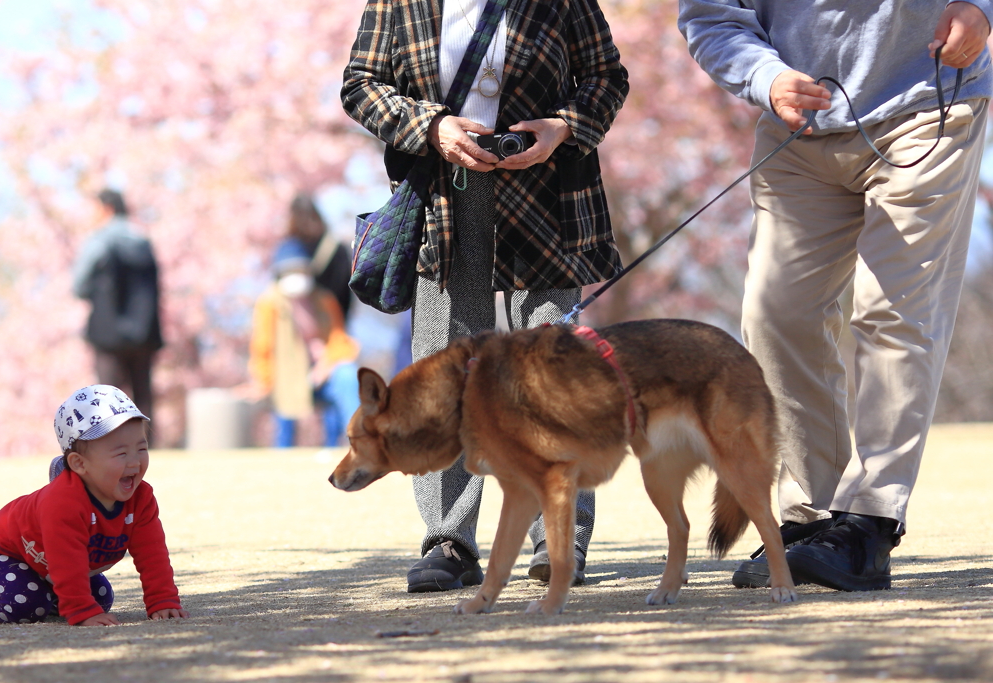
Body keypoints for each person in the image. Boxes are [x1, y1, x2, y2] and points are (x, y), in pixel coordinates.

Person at [678, 0, 991, 591]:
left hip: (928, 104)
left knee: (893, 313)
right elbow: (710, 16)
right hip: (798, 122)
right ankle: (812, 516)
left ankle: (869, 523)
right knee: (775, 316)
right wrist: (765, 77)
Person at [341, 0, 629, 592]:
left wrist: (563, 126)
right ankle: (449, 539)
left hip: (548, 192)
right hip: (445, 195)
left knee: (551, 367)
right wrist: (430, 127)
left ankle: (559, 532)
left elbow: (606, 76)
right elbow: (360, 85)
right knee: (442, 368)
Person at [0, 385, 187, 625]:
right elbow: (66, 561)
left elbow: (152, 553)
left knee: (101, 598)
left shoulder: (141, 498)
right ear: (79, 464)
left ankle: (45, 596)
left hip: (55, 565)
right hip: (5, 551)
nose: (135, 461)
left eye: (142, 448)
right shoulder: (63, 503)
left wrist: (163, 600)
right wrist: (82, 612)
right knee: (25, 604)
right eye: (121, 453)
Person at [248, 242, 360, 448]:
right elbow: (262, 347)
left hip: (322, 373)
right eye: (291, 271)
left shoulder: (324, 300)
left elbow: (340, 341)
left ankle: (357, 441)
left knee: (347, 375)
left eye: (301, 270)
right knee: (284, 403)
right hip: (285, 374)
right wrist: (264, 379)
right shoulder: (269, 303)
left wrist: (326, 365)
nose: (297, 276)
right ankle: (283, 453)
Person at [72, 189, 162, 423]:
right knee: (143, 394)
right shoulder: (144, 241)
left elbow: (79, 285)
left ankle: (110, 448)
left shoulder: (99, 241)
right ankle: (145, 448)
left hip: (107, 330)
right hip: (144, 331)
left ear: (107, 208)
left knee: (106, 395)